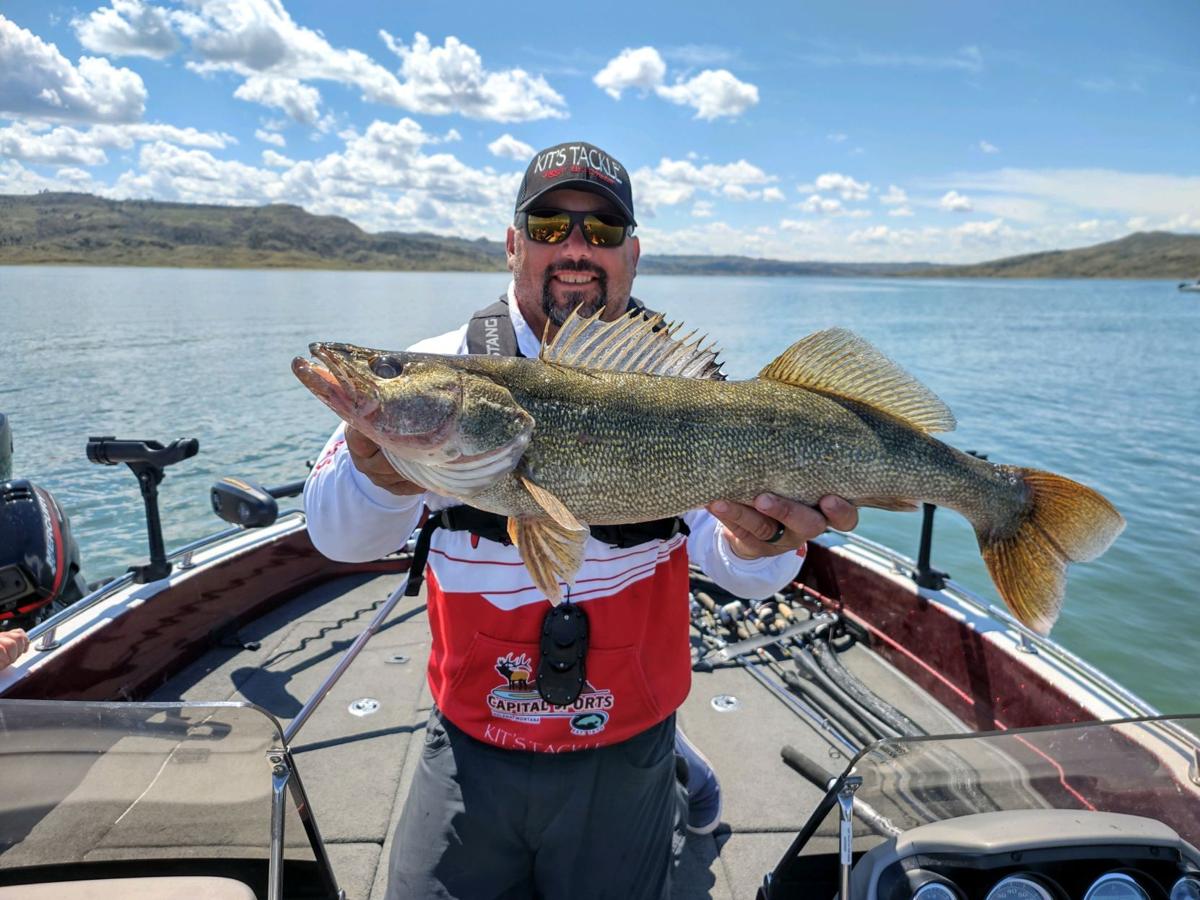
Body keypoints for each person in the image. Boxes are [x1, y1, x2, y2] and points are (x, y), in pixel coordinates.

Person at [303, 140, 858, 899]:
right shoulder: (440, 367)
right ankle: (685, 780)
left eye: (600, 232)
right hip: (470, 738)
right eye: (548, 224)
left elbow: (748, 576)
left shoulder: (683, 390)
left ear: (632, 255)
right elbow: (338, 535)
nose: (574, 247)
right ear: (512, 244)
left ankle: (678, 773)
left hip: (628, 742)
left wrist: (762, 542)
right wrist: (377, 471)